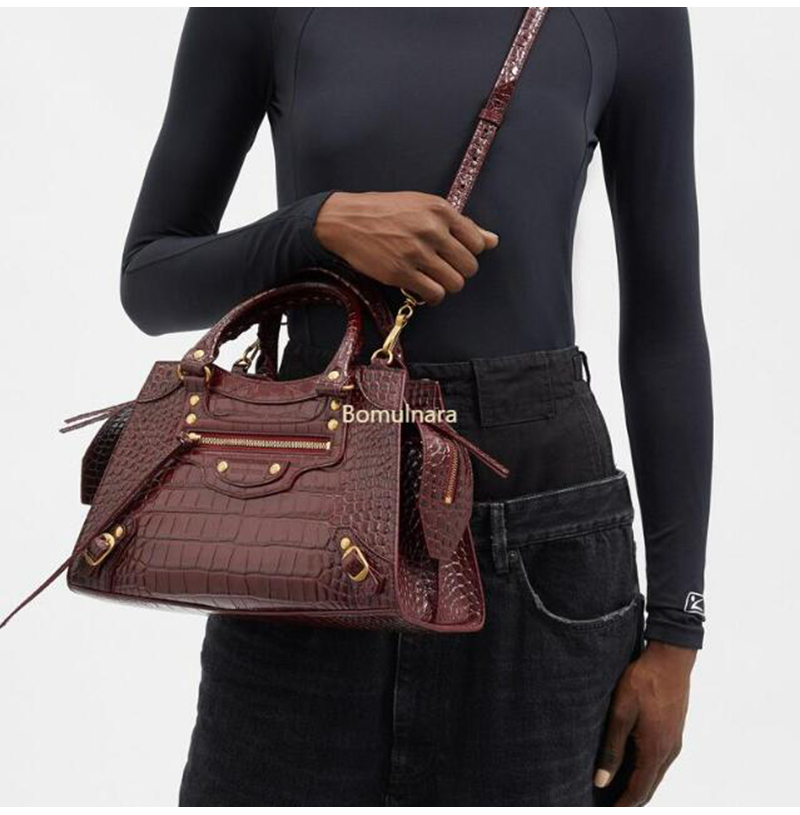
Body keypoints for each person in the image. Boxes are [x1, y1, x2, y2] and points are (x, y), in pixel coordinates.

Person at [121, 8, 712, 806]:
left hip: (540, 541)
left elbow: (666, 330)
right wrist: (316, 224)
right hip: (308, 528)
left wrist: (678, 629)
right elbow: (150, 278)